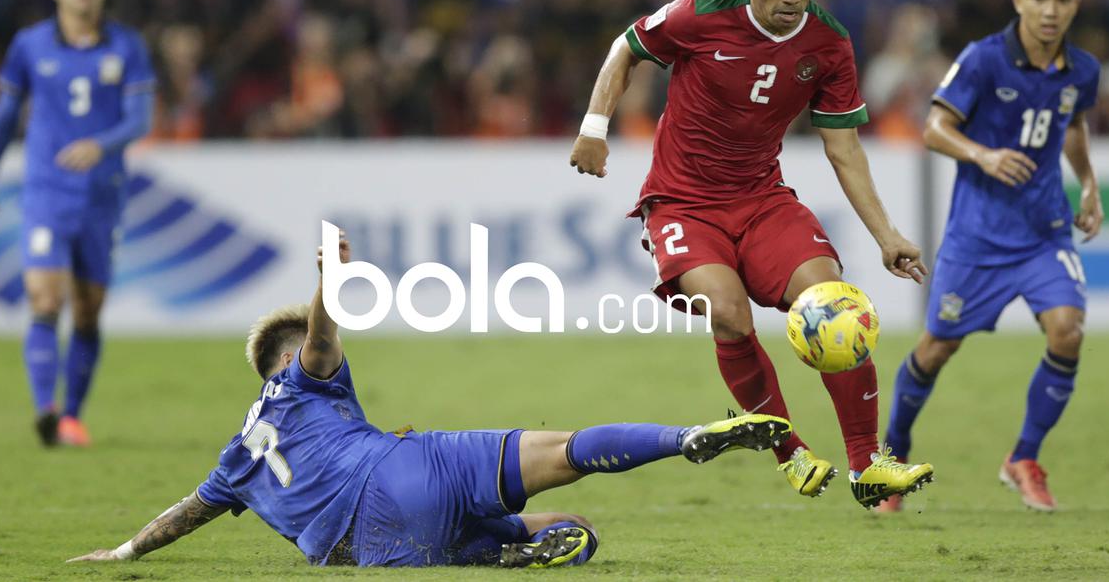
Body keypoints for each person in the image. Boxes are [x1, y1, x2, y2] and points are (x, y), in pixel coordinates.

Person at [67, 231, 792, 569]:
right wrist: (329, 281)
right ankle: (682, 438)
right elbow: (320, 338)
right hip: (407, 468)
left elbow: (186, 513)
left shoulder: (235, 458)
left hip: (366, 542)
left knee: (567, 530)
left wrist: (124, 551)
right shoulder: (297, 376)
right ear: (281, 362)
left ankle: (513, 552)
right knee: (568, 451)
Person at [568, 0, 933, 508]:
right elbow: (624, 48)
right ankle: (790, 452)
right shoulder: (699, 15)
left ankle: (868, 463)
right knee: (729, 313)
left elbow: (844, 150)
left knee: (834, 306)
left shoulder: (829, 43)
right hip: (682, 204)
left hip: (762, 200)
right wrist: (593, 128)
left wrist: (886, 235)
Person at [881, 0, 1103, 513]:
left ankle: (1024, 458)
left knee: (1068, 330)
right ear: (1018, 1)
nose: (1050, 10)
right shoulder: (983, 59)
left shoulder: (1082, 71)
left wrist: (1089, 185)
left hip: (1044, 231)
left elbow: (1072, 124)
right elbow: (934, 128)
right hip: (977, 238)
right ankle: (893, 454)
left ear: (1075, 4)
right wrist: (983, 154)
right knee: (937, 348)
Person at [0, 0, 155, 447]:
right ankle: (46, 409)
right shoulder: (30, 45)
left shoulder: (127, 46)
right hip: (46, 191)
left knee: (87, 310)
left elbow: (139, 119)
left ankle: (71, 417)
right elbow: (5, 117)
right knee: (44, 297)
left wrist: (99, 145)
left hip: (102, 195)